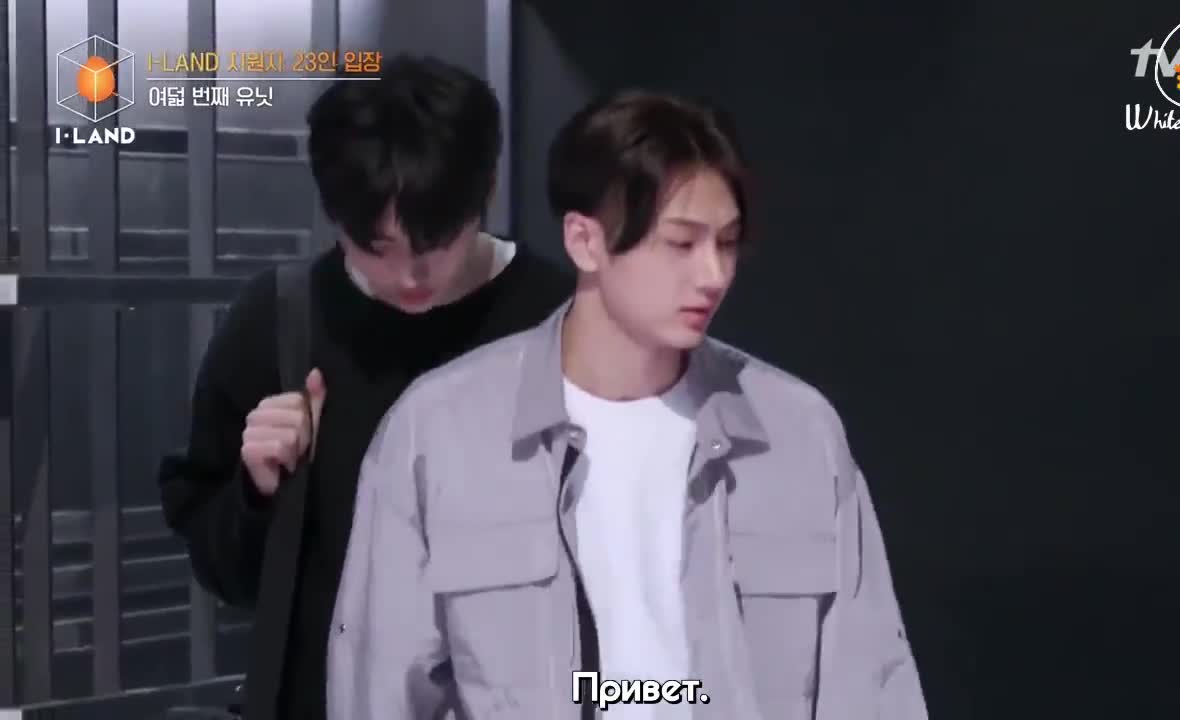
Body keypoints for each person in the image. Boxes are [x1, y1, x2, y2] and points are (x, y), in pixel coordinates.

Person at [326, 90, 928, 720]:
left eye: (726, 243)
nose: (714, 274)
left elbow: (870, 687)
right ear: (585, 241)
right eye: (681, 244)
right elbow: (378, 690)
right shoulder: (439, 430)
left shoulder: (797, 433)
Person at [156, 54, 574, 720]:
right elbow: (223, 573)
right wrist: (256, 490)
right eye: (377, 247)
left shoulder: (562, 320)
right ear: (334, 213)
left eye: (436, 243)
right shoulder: (280, 322)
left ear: (487, 190)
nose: (410, 276)